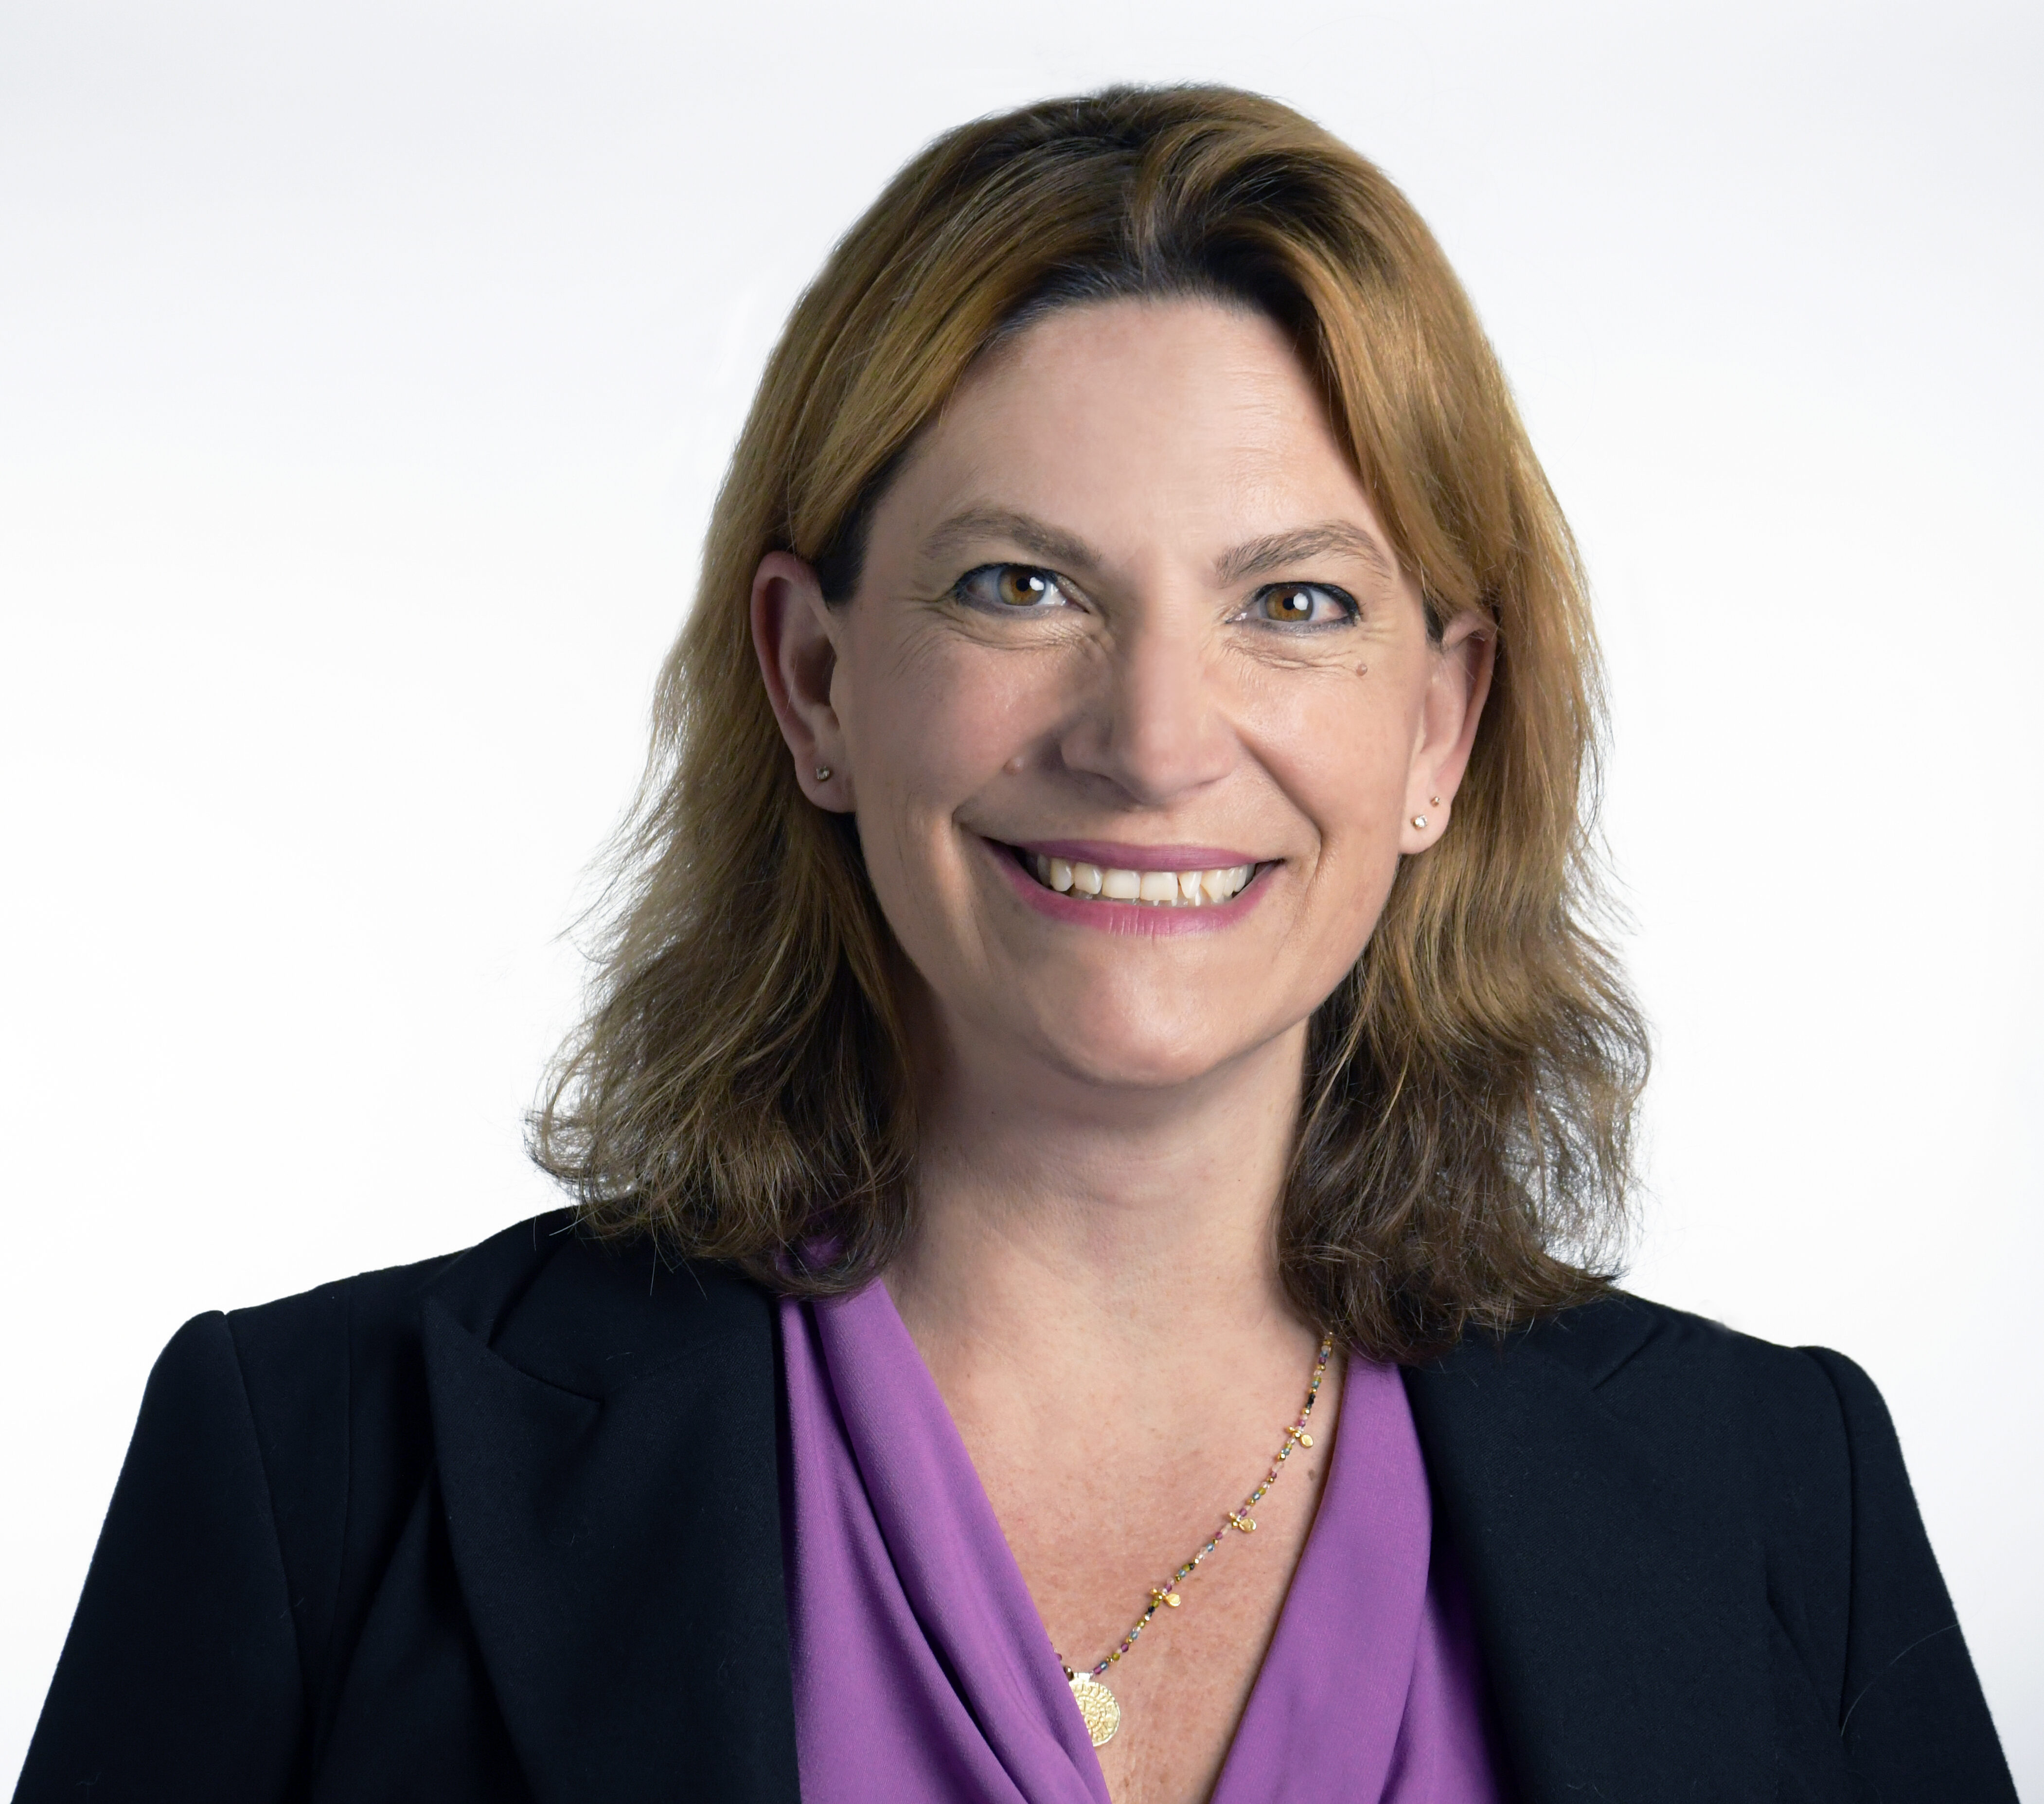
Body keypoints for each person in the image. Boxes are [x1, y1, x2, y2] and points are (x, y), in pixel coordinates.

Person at [16, 85, 2015, 1804]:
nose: (1150, 738)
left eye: (1294, 605)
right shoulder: (315, 1477)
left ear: (1437, 728)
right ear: (811, 683)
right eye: (1019, 583)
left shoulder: (1778, 1500)